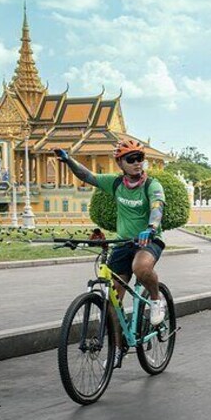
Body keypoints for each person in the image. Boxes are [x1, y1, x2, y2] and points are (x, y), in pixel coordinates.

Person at [54, 139, 166, 368]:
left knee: (141, 268)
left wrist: (151, 228)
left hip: (148, 240)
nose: (137, 163)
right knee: (112, 301)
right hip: (123, 243)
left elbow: (157, 207)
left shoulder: (152, 185)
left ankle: (156, 299)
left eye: (140, 158)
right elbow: (87, 176)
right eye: (131, 159)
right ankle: (118, 347)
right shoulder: (115, 184)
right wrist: (68, 161)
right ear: (120, 163)